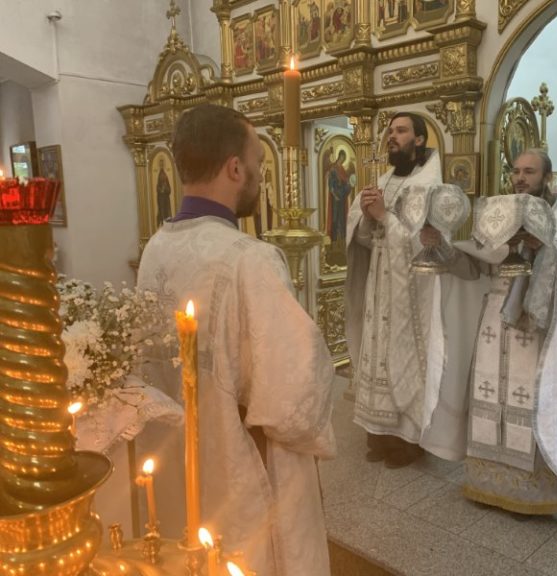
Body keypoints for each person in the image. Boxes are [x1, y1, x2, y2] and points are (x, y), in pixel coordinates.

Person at [137, 104, 336, 575]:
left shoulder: (155, 248)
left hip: (177, 458)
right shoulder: (251, 258)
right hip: (242, 465)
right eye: (258, 164)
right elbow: (292, 396)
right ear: (234, 168)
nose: (260, 177)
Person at [422, 149, 557, 514]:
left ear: (547, 178)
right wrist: (440, 247)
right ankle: (486, 484)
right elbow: (475, 267)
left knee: (528, 401)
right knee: (490, 397)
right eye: (516, 171)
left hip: (535, 332)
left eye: (529, 172)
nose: (520, 178)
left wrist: (545, 249)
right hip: (493, 325)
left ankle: (532, 495)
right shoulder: (498, 215)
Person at [345, 112, 445, 467]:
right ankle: (378, 432)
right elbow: (363, 239)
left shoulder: (430, 188)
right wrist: (365, 217)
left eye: (401, 131)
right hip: (379, 284)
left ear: (419, 139)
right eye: (390, 131)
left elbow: (426, 245)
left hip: (412, 291)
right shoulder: (383, 181)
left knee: (406, 353)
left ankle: (406, 440)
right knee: (376, 350)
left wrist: (384, 217)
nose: (392, 136)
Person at [155, 157, 172, 227]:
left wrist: (166, 189)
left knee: (166, 211)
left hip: (166, 197)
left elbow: (169, 188)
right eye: (160, 164)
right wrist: (161, 190)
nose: (161, 165)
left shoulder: (165, 174)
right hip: (160, 198)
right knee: (161, 211)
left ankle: (167, 224)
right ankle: (161, 223)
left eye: (162, 164)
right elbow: (157, 186)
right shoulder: (158, 174)